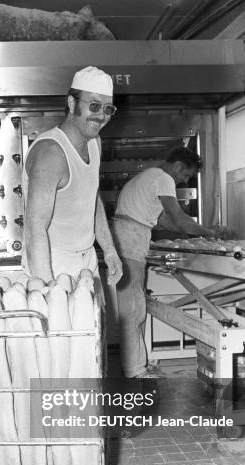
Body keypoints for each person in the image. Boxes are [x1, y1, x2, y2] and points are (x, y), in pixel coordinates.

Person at [112, 146, 226, 378]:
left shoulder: (149, 177)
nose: (184, 181)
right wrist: (209, 233)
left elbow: (167, 222)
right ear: (177, 166)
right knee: (134, 309)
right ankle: (135, 372)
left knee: (136, 307)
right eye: (186, 175)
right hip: (130, 241)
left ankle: (139, 364)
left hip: (129, 238)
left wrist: (200, 231)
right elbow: (181, 220)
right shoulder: (163, 178)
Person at [22, 65, 122, 290]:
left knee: (97, 324)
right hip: (52, 264)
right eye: (94, 106)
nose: (101, 116)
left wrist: (109, 249)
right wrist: (47, 289)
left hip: (87, 262)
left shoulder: (95, 143)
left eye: (108, 109)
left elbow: (91, 197)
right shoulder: (51, 152)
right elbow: (35, 227)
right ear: (72, 103)